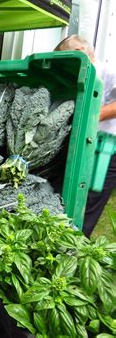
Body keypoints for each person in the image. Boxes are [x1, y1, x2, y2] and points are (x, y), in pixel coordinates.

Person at [54, 35, 116, 237]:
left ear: (80, 52)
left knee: (90, 199)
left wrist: (91, 117)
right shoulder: (81, 77)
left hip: (105, 148)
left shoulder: (109, 72)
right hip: (82, 143)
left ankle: (76, 245)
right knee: (68, 191)